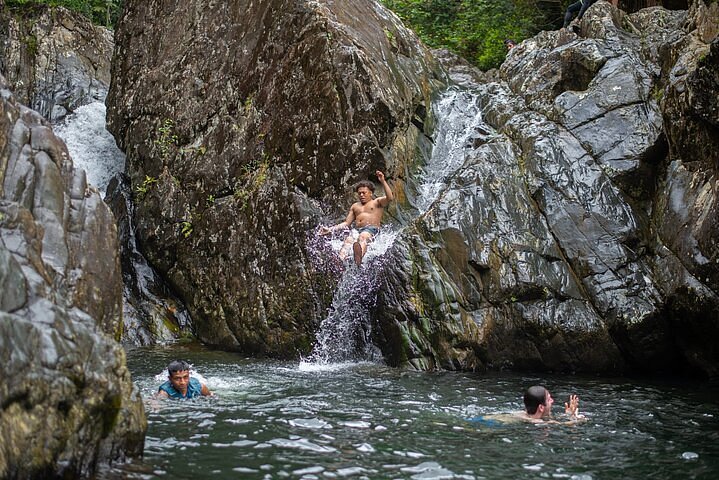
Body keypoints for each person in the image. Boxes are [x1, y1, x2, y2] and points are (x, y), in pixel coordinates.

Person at [319, 170, 394, 266]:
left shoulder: (377, 202)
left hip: (371, 230)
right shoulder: (355, 206)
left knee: (362, 237)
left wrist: (383, 181)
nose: (361, 195)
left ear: (370, 193)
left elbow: (390, 198)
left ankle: (359, 258)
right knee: (349, 240)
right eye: (359, 193)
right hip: (358, 230)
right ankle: (339, 261)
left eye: (364, 193)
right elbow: (346, 223)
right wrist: (330, 229)